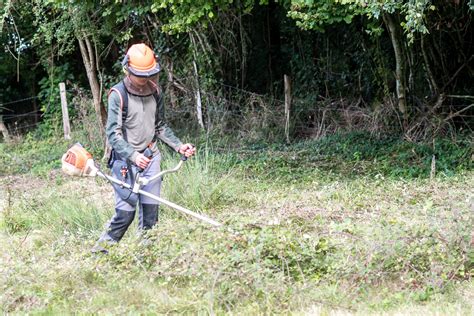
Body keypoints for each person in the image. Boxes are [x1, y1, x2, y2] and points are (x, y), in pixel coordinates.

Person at [92, 43, 195, 253]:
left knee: (150, 212)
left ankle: (146, 255)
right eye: (141, 74)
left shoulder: (156, 92)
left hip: (151, 156)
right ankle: (99, 253)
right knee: (125, 213)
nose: (146, 79)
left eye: (150, 74)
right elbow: (113, 134)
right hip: (125, 162)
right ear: (127, 70)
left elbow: (160, 126)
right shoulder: (117, 95)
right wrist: (132, 155)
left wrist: (178, 146)